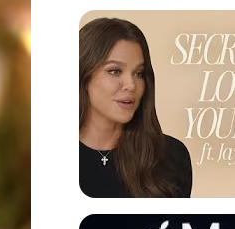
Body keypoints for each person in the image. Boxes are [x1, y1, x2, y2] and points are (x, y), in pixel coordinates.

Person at [78, 17, 192, 198]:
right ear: (83, 76)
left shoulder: (171, 156)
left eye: (139, 73)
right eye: (115, 71)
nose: (131, 85)